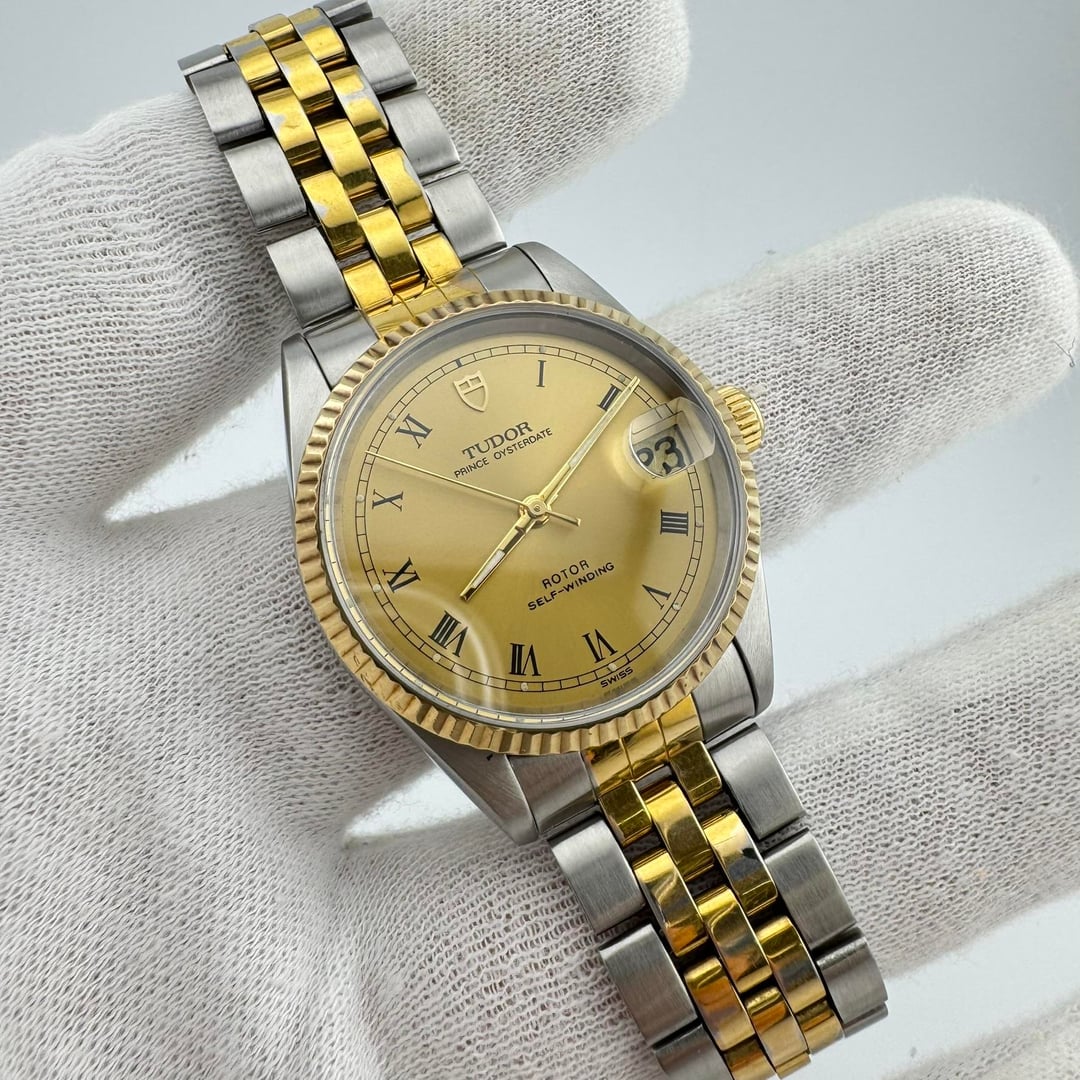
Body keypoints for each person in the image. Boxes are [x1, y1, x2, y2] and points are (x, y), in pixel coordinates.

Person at [0, 0, 1077, 1076]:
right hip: (527, 684)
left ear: (721, 427)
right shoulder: (344, 412)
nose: (523, 515)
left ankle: (764, 1007)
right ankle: (760, 1008)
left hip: (627, 646)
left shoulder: (536, 320)